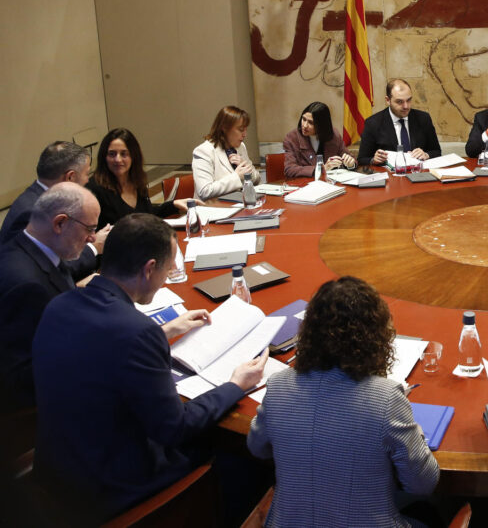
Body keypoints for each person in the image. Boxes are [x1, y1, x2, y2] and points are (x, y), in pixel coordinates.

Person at [32, 213, 268, 522]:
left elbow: (101, 345)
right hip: (112, 488)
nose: (167, 278)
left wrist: (164, 331)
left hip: (57, 473)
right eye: (168, 270)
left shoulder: (59, 304)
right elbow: (175, 428)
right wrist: (235, 385)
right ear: (149, 269)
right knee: (245, 461)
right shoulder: (137, 332)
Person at [247, 276, 439, 527]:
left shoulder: (278, 386)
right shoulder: (387, 398)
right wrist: (418, 438)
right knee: (430, 514)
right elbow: (423, 483)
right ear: (376, 338)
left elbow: (257, 447)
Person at [0, 183, 100, 410]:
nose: (93, 238)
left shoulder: (31, 249)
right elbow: (23, 376)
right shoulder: (26, 285)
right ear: (60, 223)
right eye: (89, 229)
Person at [0, 142, 110, 278]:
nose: (87, 180)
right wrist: (94, 247)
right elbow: (51, 269)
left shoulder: (41, 198)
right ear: (70, 177)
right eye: (87, 173)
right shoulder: (32, 212)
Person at [87, 128, 190, 228]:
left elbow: (145, 215)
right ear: (104, 157)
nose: (118, 159)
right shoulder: (93, 189)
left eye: (124, 154)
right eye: (112, 154)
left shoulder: (136, 181)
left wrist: (173, 205)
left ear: (134, 156)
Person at [357, 79, 442, 166]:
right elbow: (362, 159)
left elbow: (436, 151)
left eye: (408, 100)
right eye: (399, 102)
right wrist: (373, 160)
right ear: (388, 100)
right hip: (389, 173)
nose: (406, 106)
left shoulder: (423, 118)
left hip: (418, 171)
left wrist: (426, 155)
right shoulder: (373, 123)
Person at [192, 105, 262, 200]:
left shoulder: (241, 146)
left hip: (239, 203)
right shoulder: (204, 151)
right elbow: (205, 191)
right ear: (224, 128)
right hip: (212, 207)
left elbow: (257, 180)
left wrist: (246, 168)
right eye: (241, 130)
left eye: (246, 129)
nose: (245, 134)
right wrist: (237, 177)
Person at [282, 101, 356, 178]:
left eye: (311, 123)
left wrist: (350, 164)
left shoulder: (334, 135)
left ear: (322, 124)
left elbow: (351, 159)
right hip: (305, 183)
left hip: (330, 182)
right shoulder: (292, 138)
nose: (305, 125)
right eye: (303, 119)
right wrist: (321, 169)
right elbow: (289, 169)